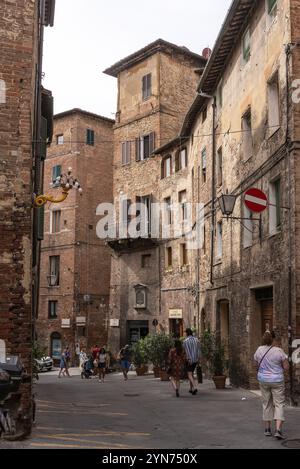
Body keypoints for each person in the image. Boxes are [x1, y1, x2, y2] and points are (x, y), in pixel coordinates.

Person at [254, 331, 289, 440]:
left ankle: (267, 429)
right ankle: (278, 430)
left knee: (266, 403)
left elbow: (255, 364)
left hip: (263, 380)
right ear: (273, 339)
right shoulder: (279, 351)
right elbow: (286, 367)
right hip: (277, 380)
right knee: (279, 404)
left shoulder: (259, 350)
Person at [183, 328, 201, 395]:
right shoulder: (196, 340)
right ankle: (191, 389)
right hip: (196, 359)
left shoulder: (185, 341)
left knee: (189, 374)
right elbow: (199, 350)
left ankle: (195, 387)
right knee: (192, 373)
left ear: (187, 333)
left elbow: (186, 351)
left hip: (190, 360)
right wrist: (199, 359)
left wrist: (188, 359)